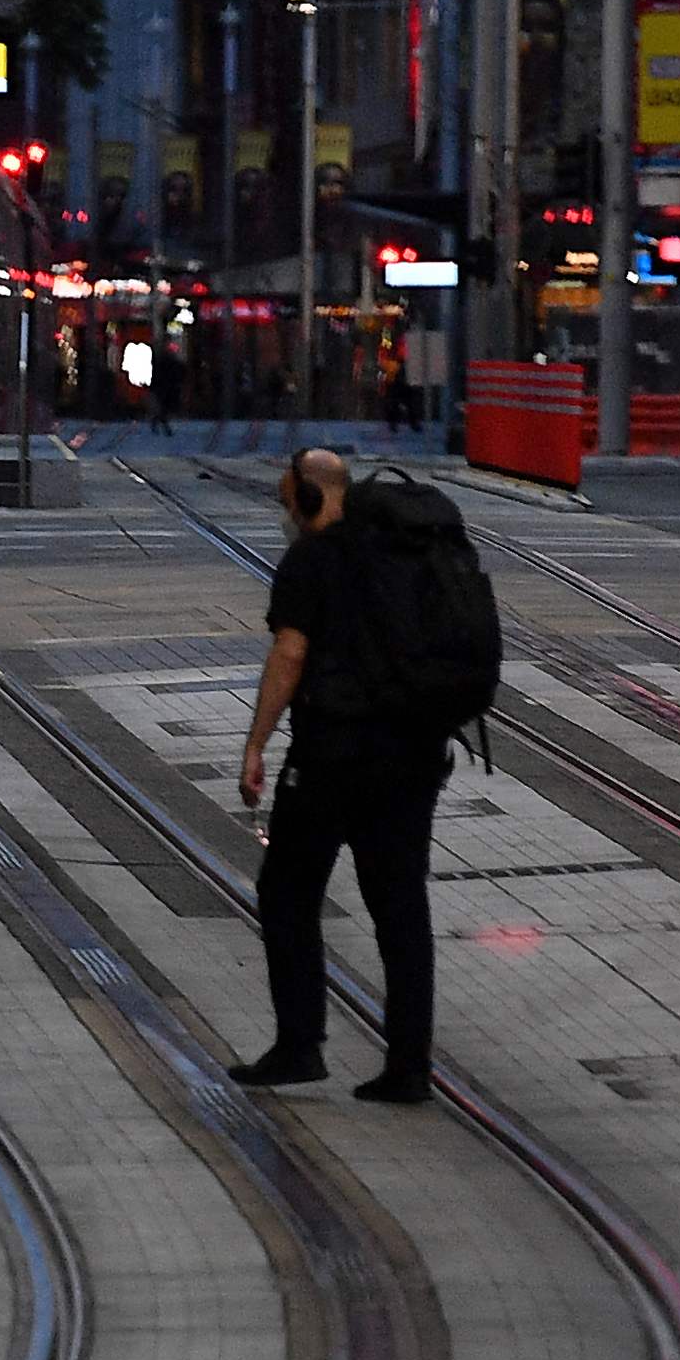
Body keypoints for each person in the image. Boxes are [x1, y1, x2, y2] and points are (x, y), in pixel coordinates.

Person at [231, 444, 448, 1105]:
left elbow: (290, 654)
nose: (284, 514)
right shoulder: (400, 551)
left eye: (285, 500)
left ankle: (300, 1044)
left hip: (332, 755)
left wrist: (255, 743)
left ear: (309, 496)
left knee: (287, 892)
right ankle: (409, 1065)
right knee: (401, 907)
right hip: (411, 753)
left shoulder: (311, 560)